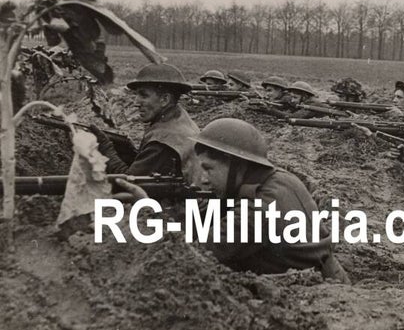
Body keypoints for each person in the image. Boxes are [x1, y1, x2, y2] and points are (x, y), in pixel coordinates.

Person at [117, 118, 350, 282]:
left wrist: (148, 210)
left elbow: (192, 256)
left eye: (209, 169)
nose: (203, 180)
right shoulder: (277, 179)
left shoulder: (260, 206)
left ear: (236, 164)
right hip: (326, 277)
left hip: (318, 297)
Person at [90, 63, 200, 178]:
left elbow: (129, 183)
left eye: (144, 96)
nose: (136, 103)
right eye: (136, 95)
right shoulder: (179, 118)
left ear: (164, 99)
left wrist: (106, 149)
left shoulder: (162, 142)